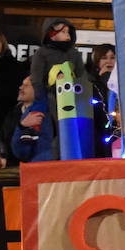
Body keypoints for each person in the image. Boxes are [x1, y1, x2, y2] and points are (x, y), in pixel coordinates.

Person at [28, 18, 94, 159]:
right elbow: (36, 78)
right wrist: (42, 98)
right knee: (58, 130)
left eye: (68, 32)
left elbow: (82, 75)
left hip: (74, 97)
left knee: (76, 129)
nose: (67, 35)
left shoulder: (74, 54)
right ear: (51, 33)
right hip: (52, 97)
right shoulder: (41, 54)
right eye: (63, 32)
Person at [11, 73, 56, 163]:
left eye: (26, 85)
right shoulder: (14, 113)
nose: (21, 87)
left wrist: (23, 127)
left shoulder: (38, 112)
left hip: (41, 168)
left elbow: (22, 151)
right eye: (22, 84)